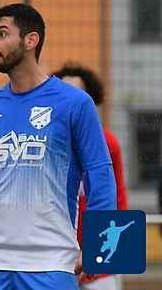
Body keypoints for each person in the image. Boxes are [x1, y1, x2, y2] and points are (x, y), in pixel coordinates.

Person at [0, 3, 117, 290]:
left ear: (30, 41)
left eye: (1, 33)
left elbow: (101, 176)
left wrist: (98, 248)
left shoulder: (75, 104)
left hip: (50, 260)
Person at [55, 63, 128, 290]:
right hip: (52, 254)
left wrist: (109, 253)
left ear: (90, 100)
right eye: (63, 93)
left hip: (97, 253)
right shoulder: (45, 144)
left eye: (78, 94)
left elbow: (118, 198)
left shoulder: (108, 143)